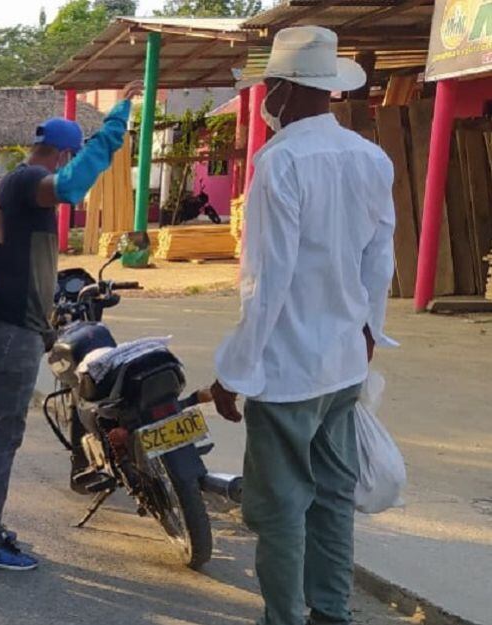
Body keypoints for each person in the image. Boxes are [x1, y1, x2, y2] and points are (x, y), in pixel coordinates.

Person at [210, 26, 396, 625]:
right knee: (333, 500)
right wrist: (370, 332)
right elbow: (380, 259)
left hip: (288, 372)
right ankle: (332, 614)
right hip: (343, 364)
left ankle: (285, 618)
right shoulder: (371, 158)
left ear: (285, 90)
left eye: (270, 88)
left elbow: (265, 282)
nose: (267, 102)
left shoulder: (281, 162)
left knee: (281, 508)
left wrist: (234, 372)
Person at [0, 82, 140, 571]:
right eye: (70, 157)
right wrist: (115, 123)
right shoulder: (30, 182)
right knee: (3, 437)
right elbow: (70, 187)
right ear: (64, 153)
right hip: (9, 333)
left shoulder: (6, 185)